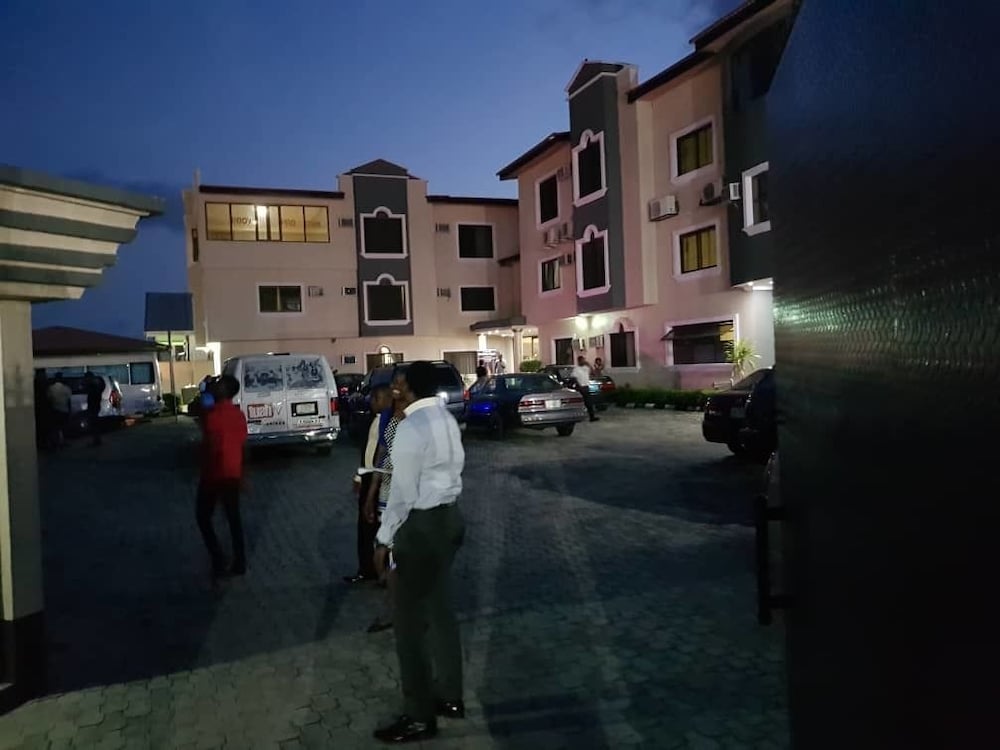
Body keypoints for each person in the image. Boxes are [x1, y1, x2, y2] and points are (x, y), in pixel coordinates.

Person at [372, 361, 466, 744]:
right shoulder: (446, 418)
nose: (395, 386)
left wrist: (383, 539)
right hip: (450, 520)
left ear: (410, 387)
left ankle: (419, 715)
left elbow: (402, 493)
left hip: (421, 526)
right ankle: (451, 695)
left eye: (400, 381)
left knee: (409, 625)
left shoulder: (411, 427)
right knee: (441, 611)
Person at [363, 384, 408, 633]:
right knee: (386, 552)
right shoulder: (388, 421)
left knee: (398, 554)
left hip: (407, 496)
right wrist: (371, 495)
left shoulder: (416, 422)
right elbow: (382, 457)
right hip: (387, 493)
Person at [196, 375, 248, 578]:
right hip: (232, 472)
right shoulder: (238, 415)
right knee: (234, 518)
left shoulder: (212, 414)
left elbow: (198, 414)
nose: (215, 387)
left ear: (225, 390)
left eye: (219, 385)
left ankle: (218, 558)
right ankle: (239, 561)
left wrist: (204, 389)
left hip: (213, 473)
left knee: (203, 517)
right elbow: (243, 444)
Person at [344, 385, 393, 584]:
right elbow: (367, 452)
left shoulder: (388, 423)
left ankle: (380, 570)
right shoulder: (374, 421)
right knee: (366, 526)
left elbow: (380, 455)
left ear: (386, 399)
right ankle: (368, 569)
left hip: (379, 479)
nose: (372, 403)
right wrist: (359, 476)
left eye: (375, 399)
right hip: (368, 476)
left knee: (375, 526)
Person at [46, 374, 72, 448]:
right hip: (64, 410)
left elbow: (49, 399)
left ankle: (56, 443)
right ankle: (63, 442)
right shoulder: (66, 388)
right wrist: (69, 410)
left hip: (55, 410)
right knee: (64, 427)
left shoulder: (51, 388)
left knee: (56, 428)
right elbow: (69, 400)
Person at [571, 356, 599, 423]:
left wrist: (589, 364)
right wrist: (579, 386)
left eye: (584, 360)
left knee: (588, 402)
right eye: (582, 360)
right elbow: (574, 378)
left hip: (586, 386)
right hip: (580, 387)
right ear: (579, 361)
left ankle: (592, 417)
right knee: (582, 403)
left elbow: (593, 373)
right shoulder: (576, 369)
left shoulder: (586, 368)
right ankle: (579, 417)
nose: (583, 361)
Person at [84, 371, 104, 445]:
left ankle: (96, 440)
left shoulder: (92, 385)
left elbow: (90, 394)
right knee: (95, 423)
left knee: (93, 423)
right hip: (96, 405)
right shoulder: (98, 384)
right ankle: (97, 439)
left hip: (93, 405)